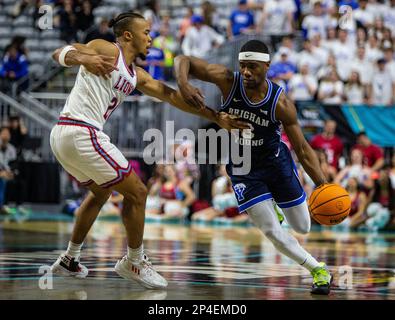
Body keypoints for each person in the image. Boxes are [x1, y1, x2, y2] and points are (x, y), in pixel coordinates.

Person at [49, 11, 248, 289]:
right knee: (139, 192)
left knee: (101, 192)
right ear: (128, 35)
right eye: (147, 33)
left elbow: (171, 96)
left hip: (64, 136)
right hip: (81, 131)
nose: (151, 39)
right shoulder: (107, 49)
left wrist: (216, 117)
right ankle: (134, 261)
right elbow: (59, 52)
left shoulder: (136, 75)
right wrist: (83, 57)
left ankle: (70, 258)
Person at [174, 40, 333, 295]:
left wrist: (324, 185)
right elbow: (184, 59)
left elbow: (302, 148)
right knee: (271, 230)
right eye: (243, 66)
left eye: (252, 67)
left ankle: (281, 209)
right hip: (243, 167)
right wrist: (184, 84)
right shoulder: (228, 80)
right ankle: (318, 270)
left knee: (303, 226)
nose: (246, 72)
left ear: (267, 66)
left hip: (276, 163)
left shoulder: (280, 102)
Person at [0, 127, 16, 215]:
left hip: (6, 172)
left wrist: (10, 172)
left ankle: (12, 205)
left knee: (17, 180)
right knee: (2, 180)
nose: (5, 136)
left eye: (7, 134)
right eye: (3, 133)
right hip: (1, 173)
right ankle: (1, 206)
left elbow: (13, 164)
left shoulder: (11, 148)